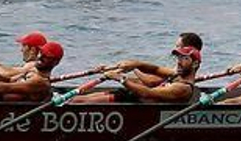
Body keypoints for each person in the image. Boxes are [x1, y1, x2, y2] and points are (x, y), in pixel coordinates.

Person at [73, 35, 203, 104]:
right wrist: (133, 64)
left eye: (184, 58)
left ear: (195, 63)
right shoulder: (177, 73)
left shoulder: (183, 88)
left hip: (135, 101)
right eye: (178, 57)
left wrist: (121, 78)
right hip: (132, 96)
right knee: (76, 100)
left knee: (80, 102)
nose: (179, 61)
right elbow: (155, 68)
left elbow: (147, 91)